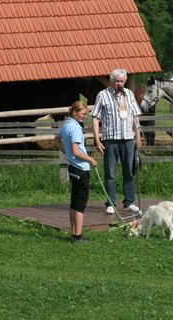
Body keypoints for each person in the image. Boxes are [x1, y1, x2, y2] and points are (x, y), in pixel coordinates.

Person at [91, 68, 142, 215]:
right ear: (111, 81)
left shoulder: (129, 94)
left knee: (129, 171)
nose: (119, 84)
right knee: (110, 173)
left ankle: (129, 202)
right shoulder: (103, 95)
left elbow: (135, 116)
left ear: (124, 81)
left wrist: (137, 137)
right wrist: (97, 139)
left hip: (127, 138)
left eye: (121, 81)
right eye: (116, 81)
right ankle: (111, 203)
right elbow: (95, 117)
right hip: (110, 139)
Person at [54, 101, 98, 243]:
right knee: (80, 204)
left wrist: (66, 153)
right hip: (80, 169)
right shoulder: (76, 128)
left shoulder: (66, 124)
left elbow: (56, 140)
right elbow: (75, 150)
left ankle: (74, 234)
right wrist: (90, 159)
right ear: (74, 112)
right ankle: (78, 236)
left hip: (72, 168)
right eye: (83, 114)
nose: (85, 117)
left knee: (74, 202)